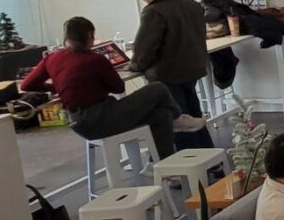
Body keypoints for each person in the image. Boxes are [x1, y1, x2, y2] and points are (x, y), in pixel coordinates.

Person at [20, 16, 206, 160]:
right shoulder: (95, 59)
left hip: (78, 123)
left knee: (161, 115)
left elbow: (27, 84)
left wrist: (57, 87)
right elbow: (117, 88)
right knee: (157, 88)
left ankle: (163, 164)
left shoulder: (51, 58)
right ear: (90, 37)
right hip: (101, 118)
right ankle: (179, 118)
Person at [126, 0, 214, 148]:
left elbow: (145, 49)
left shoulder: (153, 12)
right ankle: (212, 162)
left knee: (179, 122)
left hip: (167, 74)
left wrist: (135, 65)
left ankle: (190, 163)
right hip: (193, 68)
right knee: (194, 116)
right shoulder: (191, 4)